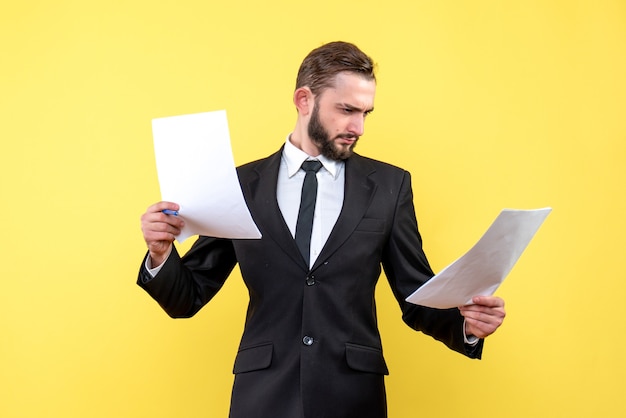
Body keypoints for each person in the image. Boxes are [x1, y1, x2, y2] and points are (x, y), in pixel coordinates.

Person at [138, 41, 505, 418]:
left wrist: (467, 325)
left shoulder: (389, 187)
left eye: (365, 113)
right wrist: (160, 255)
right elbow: (187, 297)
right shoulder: (241, 186)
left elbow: (416, 296)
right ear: (304, 100)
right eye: (346, 110)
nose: (357, 127)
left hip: (353, 397)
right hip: (263, 397)